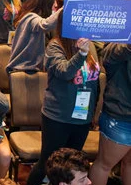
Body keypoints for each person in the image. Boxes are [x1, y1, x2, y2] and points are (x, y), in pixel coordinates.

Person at [27, 11, 100, 185]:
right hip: (58, 117)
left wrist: (93, 112)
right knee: (48, 163)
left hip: (82, 117)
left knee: (72, 168)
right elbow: (64, 71)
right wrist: (81, 54)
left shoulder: (90, 46)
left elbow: (95, 81)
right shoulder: (55, 46)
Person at [89, 43, 131, 185]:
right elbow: (108, 56)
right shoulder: (120, 37)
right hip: (120, 114)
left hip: (121, 112)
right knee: (105, 164)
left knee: (129, 164)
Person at [6, 0, 64, 73]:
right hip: (20, 70)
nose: (56, 5)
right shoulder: (30, 18)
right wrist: (66, 6)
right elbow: (45, 25)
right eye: (54, 1)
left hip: (31, 69)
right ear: (45, 2)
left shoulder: (34, 17)